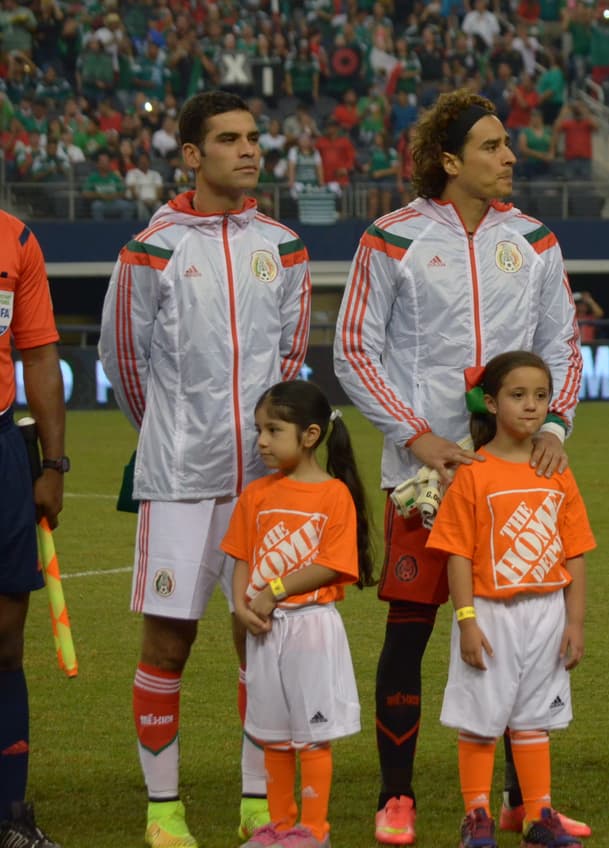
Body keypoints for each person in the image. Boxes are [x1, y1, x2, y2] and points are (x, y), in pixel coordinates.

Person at [332, 89, 585, 846]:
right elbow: (353, 349)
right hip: (426, 477)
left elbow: (565, 344)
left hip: (514, 475)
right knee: (409, 630)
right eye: (493, 146)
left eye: (507, 146)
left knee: (515, 631)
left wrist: (558, 424)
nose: (510, 157)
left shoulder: (535, 240)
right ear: (449, 160)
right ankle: (396, 796)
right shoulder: (392, 238)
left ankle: (521, 800)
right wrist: (416, 436)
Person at [98, 90, 312, 848]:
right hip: (179, 477)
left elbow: (290, 361)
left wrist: (269, 445)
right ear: (191, 155)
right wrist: (171, 435)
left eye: (254, 137)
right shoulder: (149, 251)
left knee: (264, 634)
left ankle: (259, 800)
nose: (249, 150)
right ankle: (164, 809)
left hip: (262, 479)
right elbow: (124, 362)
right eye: (229, 139)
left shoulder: (285, 248)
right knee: (168, 641)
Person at [430, 351, 594, 848]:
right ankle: (476, 815)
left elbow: (577, 551)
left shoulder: (556, 469)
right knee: (482, 718)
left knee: (533, 718)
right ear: (490, 401)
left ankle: (537, 817)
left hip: (545, 611)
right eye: (518, 395)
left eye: (541, 396)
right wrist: (466, 620)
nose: (531, 406)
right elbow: (456, 553)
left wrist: (575, 621)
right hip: (491, 612)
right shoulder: (474, 473)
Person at [223, 381, 372, 848]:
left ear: (310, 435)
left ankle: (314, 829)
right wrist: (242, 603)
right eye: (259, 430)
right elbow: (241, 555)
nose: (262, 441)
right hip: (266, 631)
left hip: (310, 627)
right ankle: (281, 825)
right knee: (273, 734)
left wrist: (276, 590)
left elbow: (335, 562)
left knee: (311, 734)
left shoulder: (333, 495)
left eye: (273, 430)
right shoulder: (257, 494)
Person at [0, 211, 65, 848]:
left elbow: (40, 353)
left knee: (6, 642)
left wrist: (53, 464)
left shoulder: (15, 238)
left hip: (0, 450)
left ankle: (10, 814)